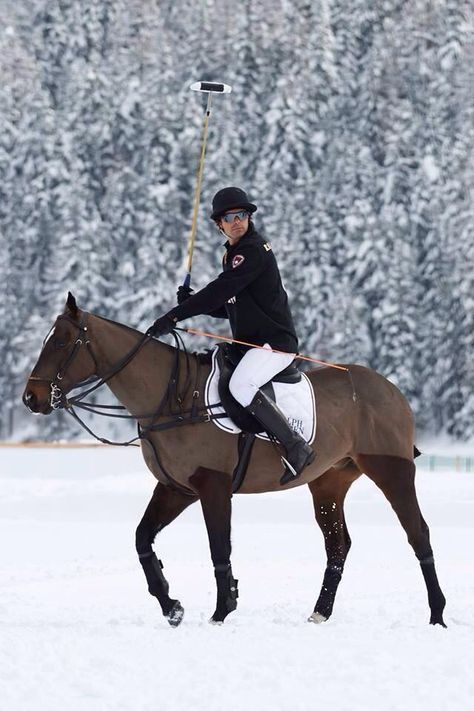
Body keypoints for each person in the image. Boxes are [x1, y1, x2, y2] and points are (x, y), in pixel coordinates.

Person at [147, 186, 315, 485]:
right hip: (253, 346)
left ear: (249, 218)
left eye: (242, 215)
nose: (237, 221)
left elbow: (222, 289)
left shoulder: (252, 250)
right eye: (229, 217)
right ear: (219, 224)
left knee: (241, 384)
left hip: (274, 345)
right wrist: (193, 303)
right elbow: (232, 307)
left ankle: (296, 447)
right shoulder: (234, 254)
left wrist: (175, 315)